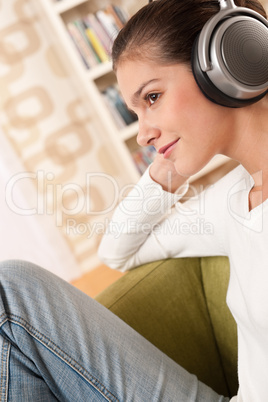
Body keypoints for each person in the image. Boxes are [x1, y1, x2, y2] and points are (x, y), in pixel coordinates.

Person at [0, 0, 267, 401]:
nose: (142, 134)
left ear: (232, 63)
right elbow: (118, 251)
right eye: (136, 111)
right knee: (10, 289)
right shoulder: (234, 201)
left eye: (153, 97)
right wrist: (167, 170)